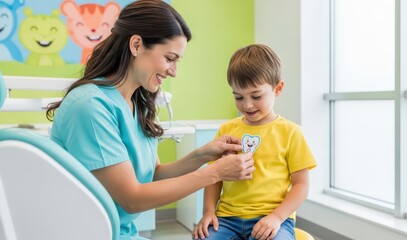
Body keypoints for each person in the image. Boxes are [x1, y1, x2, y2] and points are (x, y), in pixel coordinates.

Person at [46, 1, 255, 239]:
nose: (174, 71)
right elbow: (131, 199)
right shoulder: (90, 106)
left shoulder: (138, 102)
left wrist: (205, 155)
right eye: (169, 58)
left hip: (121, 232)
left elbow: (154, 174)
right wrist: (214, 173)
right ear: (136, 45)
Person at [192, 44, 317, 240]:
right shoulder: (226, 130)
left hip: (272, 218)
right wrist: (208, 212)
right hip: (227, 219)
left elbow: (301, 185)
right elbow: (214, 177)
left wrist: (276, 217)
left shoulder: (291, 132)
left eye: (256, 96)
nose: (247, 105)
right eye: (238, 97)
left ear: (278, 89)